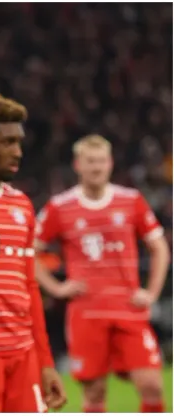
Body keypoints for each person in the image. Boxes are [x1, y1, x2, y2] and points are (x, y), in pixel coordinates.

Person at [34, 134, 170, 413]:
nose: (96, 167)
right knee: (94, 395)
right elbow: (30, 251)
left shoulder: (131, 200)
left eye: (101, 161)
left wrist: (152, 292)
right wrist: (57, 289)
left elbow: (160, 248)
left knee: (152, 385)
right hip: (86, 312)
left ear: (110, 164)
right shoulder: (60, 206)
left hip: (128, 309)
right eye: (90, 161)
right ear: (78, 165)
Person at [0, 94, 67, 412]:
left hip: (23, 355)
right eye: (7, 142)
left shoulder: (21, 205)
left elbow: (29, 287)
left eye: (19, 142)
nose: (18, 151)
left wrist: (45, 362)